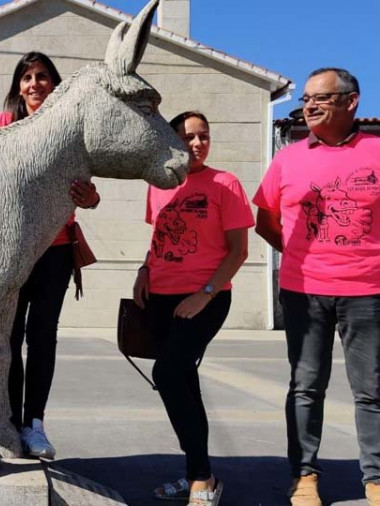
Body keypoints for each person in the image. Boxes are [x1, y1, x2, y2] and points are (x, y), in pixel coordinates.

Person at [253, 68, 380, 506]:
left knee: (372, 389)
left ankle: (376, 479)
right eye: (306, 98)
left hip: (368, 292)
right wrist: (296, 254)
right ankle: (304, 476)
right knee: (306, 386)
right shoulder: (288, 157)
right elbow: (264, 219)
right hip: (304, 291)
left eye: (321, 98)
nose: (309, 105)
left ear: (351, 102)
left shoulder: (377, 152)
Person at [0, 51, 100, 458]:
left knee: (42, 337)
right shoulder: (2, 126)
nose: (34, 84)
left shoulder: (72, 131)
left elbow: (88, 189)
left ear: (54, 83)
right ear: (18, 86)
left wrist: (93, 197)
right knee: (8, 336)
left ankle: (36, 424)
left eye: (42, 76)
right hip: (11, 253)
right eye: (26, 77)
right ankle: (9, 422)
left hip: (56, 251)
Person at [135, 111, 253, 506]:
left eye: (204, 136)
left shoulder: (225, 183)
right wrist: (142, 270)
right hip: (161, 295)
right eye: (188, 137)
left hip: (206, 296)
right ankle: (195, 473)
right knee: (183, 381)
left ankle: (203, 477)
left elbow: (239, 251)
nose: (198, 143)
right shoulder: (159, 183)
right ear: (172, 141)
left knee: (166, 373)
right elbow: (158, 238)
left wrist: (204, 293)